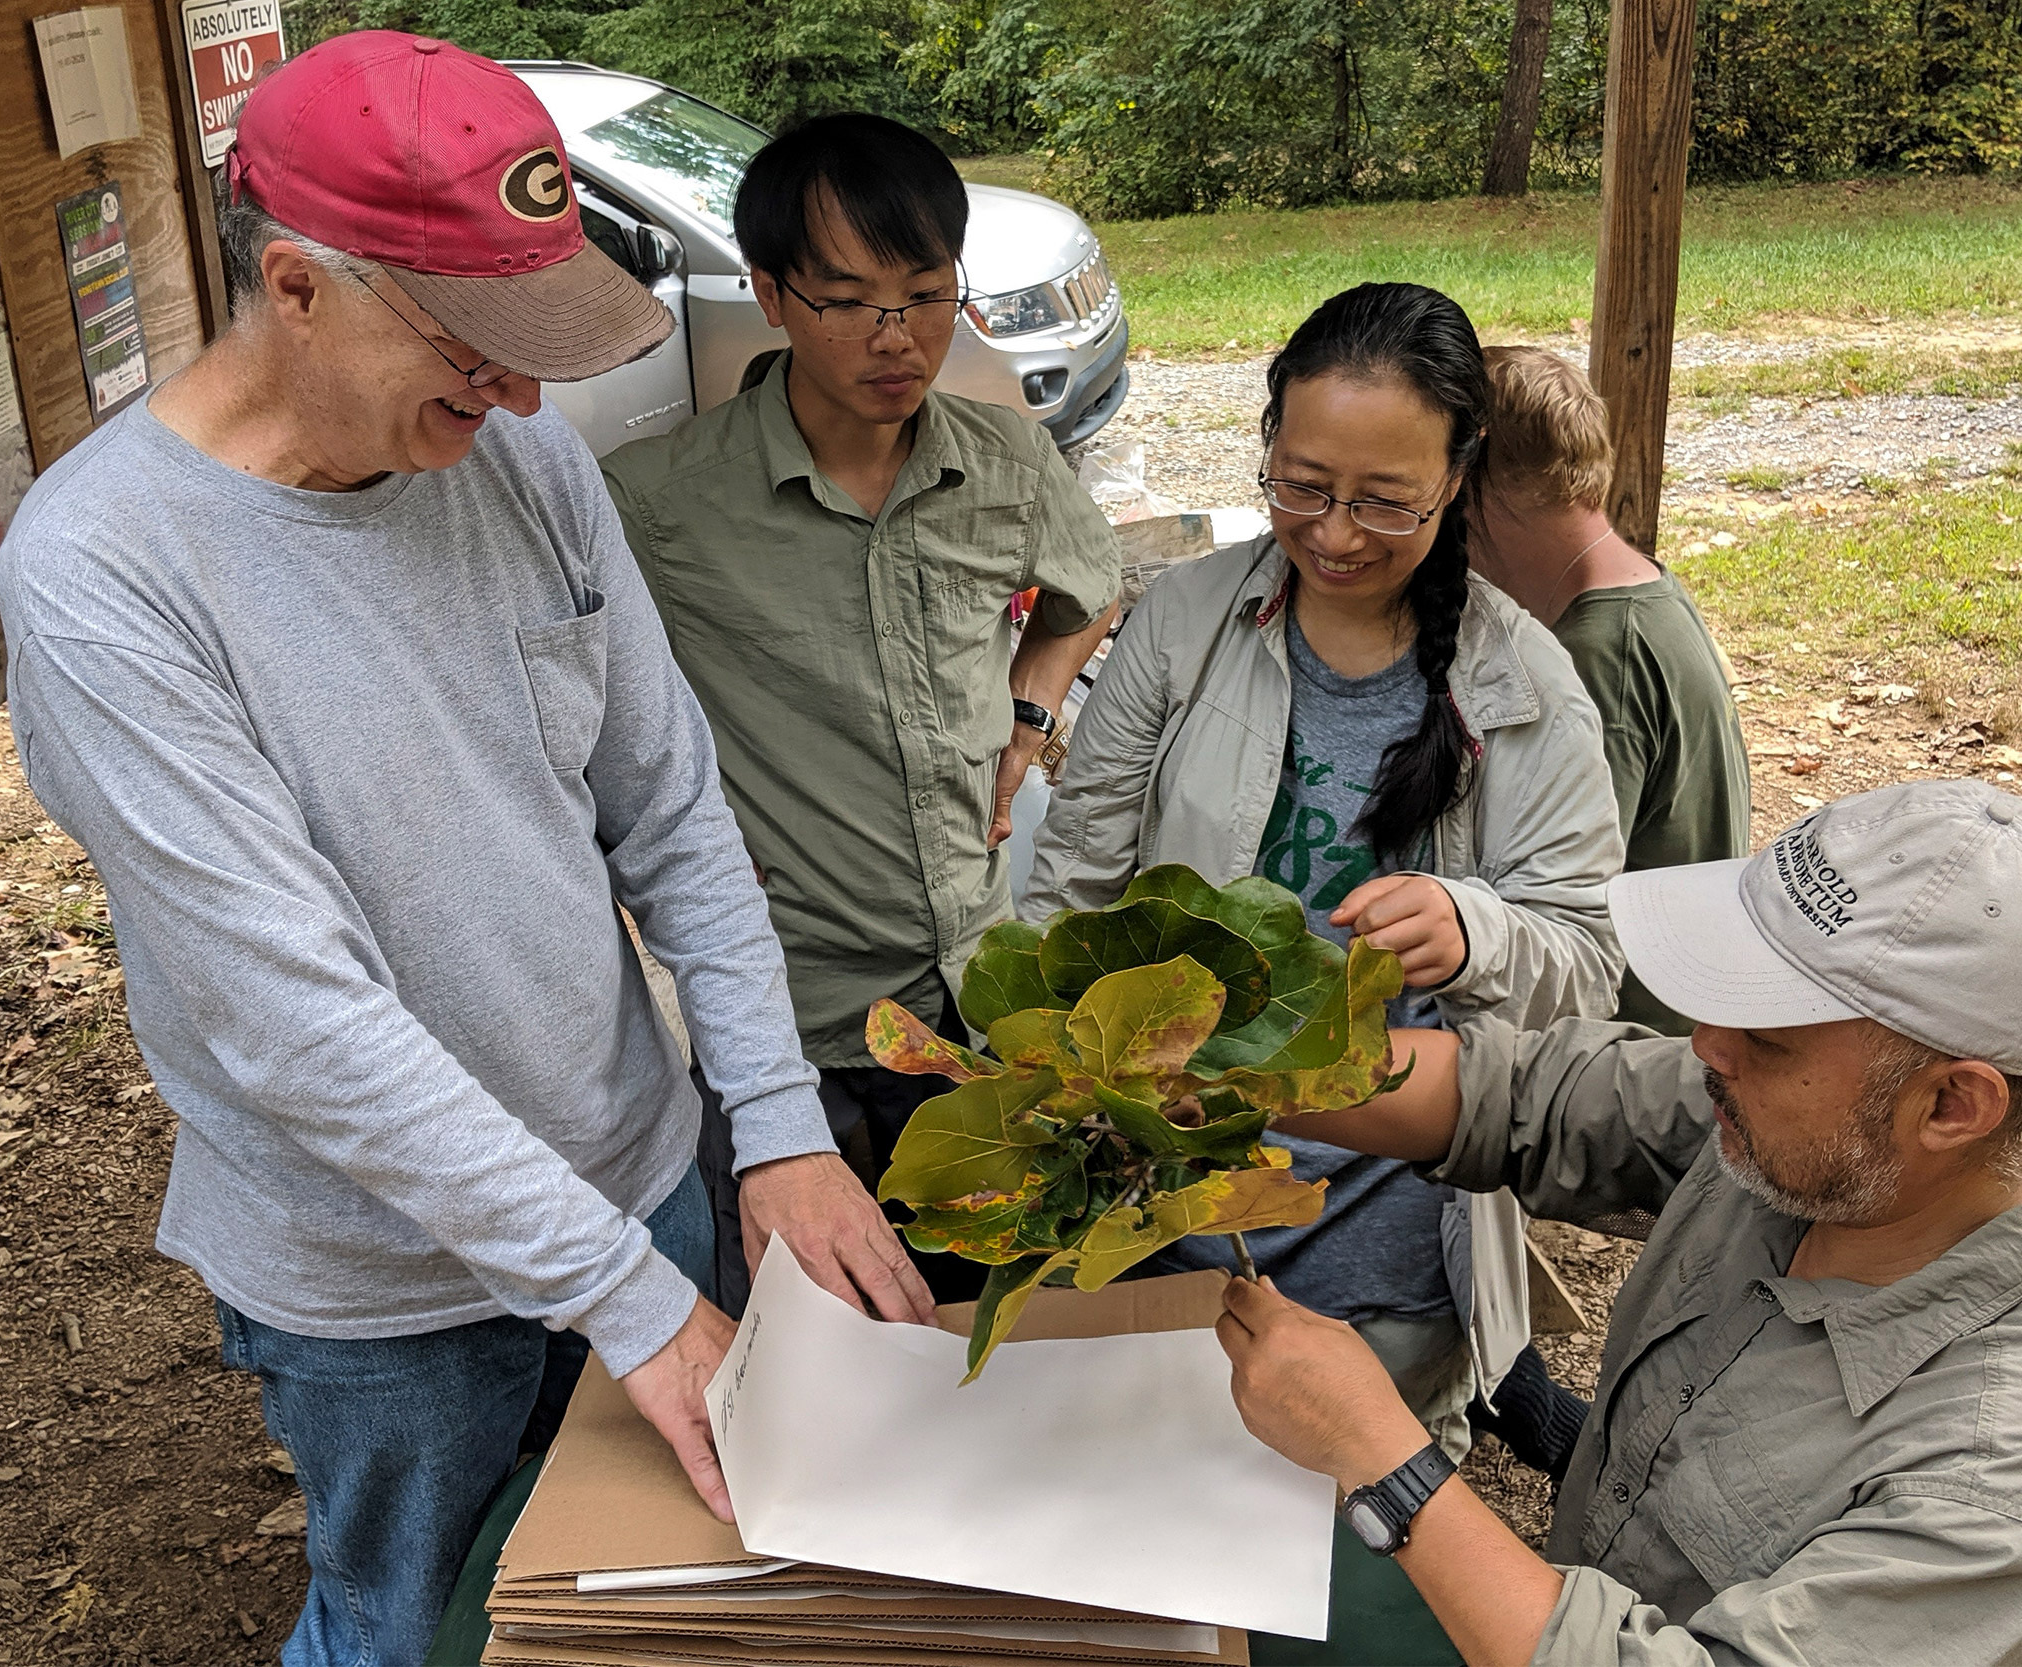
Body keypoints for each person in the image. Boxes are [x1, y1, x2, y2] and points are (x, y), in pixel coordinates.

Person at [0, 36, 914, 1664]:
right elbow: (300, 1023)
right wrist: (634, 1308)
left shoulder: (522, 457)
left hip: (644, 1187)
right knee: (410, 1633)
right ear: (296, 286)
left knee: (656, 1617)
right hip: (388, 1297)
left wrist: (773, 1126)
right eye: (475, 347)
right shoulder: (103, 574)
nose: (527, 395)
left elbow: (672, 805)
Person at [1217, 779, 2022, 1666]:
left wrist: (1383, 1454)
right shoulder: (1833, 1151)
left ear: (1953, 1104)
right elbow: (1522, 1094)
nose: (1708, 1044)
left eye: (1768, 1036)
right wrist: (1214, 1074)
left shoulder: (2019, 1462)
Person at [1023, 282, 1625, 1458]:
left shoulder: (1522, 683)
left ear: (1455, 480)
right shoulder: (1188, 622)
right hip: (1172, 1198)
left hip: (1386, 1240)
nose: (1335, 532)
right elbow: (1074, 892)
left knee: (1349, 1577)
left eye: (1383, 502)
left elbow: (1590, 962)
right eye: (1300, 485)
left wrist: (1474, 926)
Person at [603, 114, 1122, 1311]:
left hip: (979, 1007)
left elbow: (1082, 595)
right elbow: (582, 726)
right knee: (814, 1342)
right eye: (849, 301)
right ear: (773, 296)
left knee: (998, 1327)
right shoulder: (662, 505)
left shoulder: (1002, 459)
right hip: (799, 1027)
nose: (900, 340)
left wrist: (1028, 718)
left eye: (928, 294)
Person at [1469, 345, 1750, 1034]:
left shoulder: (1594, 662)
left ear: (1477, 492)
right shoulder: (1641, 592)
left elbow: (1552, 906)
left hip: (1624, 1046)